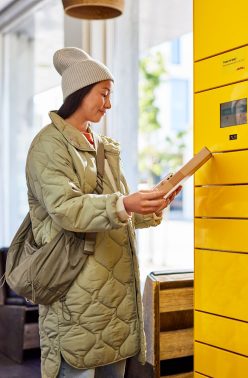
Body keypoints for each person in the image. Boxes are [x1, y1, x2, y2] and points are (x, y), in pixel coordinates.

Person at [25, 47, 181, 378]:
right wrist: (125, 203)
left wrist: (151, 205)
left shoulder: (103, 147)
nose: (108, 105)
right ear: (79, 91)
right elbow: (66, 209)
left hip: (115, 299)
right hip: (76, 294)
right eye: (104, 94)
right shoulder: (48, 146)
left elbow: (116, 209)